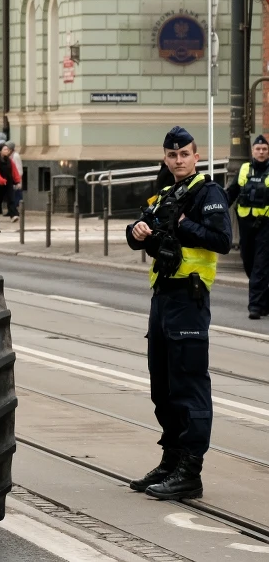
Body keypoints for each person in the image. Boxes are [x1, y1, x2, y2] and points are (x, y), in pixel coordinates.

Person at [125, 126, 232, 500]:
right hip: (163, 298)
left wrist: (185, 224)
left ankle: (190, 470)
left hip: (190, 298)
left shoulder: (208, 192)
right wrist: (137, 231)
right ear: (165, 158)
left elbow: (222, 240)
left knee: (189, 384)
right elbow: (143, 228)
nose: (178, 160)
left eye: (184, 154)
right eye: (172, 155)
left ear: (196, 156)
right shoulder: (166, 193)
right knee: (163, 385)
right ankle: (171, 460)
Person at [226, 134, 269, 320]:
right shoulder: (244, 169)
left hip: (266, 225)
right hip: (246, 224)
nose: (261, 152)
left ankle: (255, 307)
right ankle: (265, 300)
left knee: (260, 265)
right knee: (248, 262)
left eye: (264, 149)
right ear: (252, 151)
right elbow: (231, 192)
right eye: (258, 149)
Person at [0, 143, 19, 220]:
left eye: (7, 149)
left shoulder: (9, 160)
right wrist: (1, 181)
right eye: (5, 149)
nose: (7, 151)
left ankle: (14, 215)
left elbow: (14, 170)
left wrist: (17, 179)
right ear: (0, 151)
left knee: (11, 198)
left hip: (8, 181)